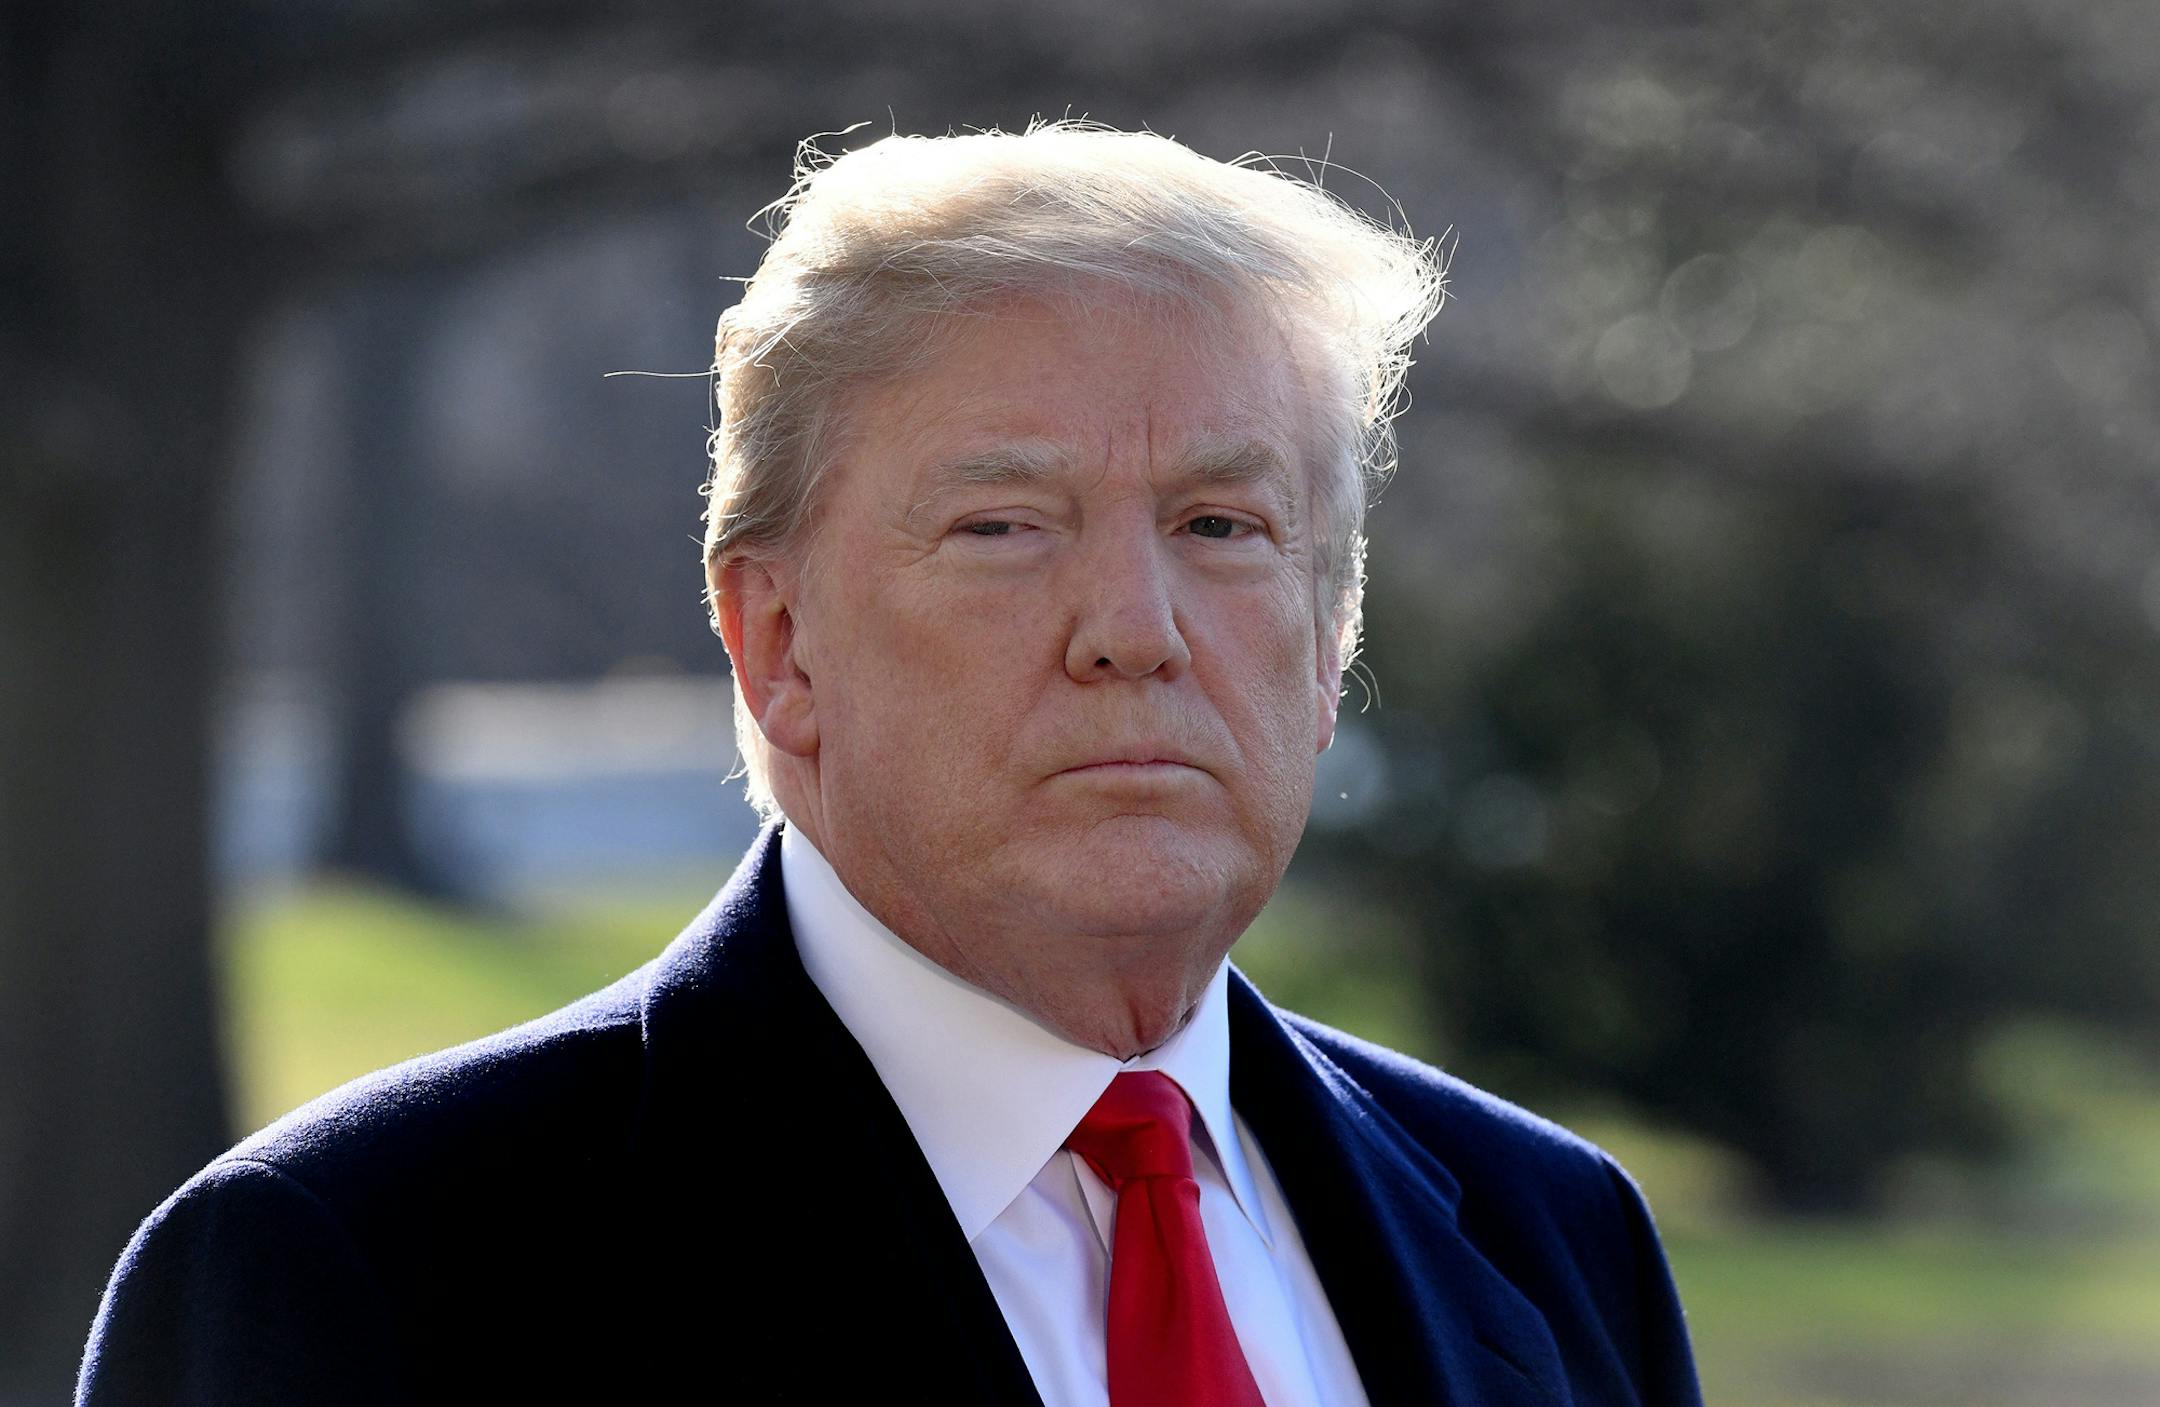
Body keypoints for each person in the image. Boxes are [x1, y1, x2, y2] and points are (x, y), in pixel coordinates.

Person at [79, 122, 1701, 1406]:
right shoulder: (362, 1272)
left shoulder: (1555, 1242)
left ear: (1331, 637)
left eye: (1222, 526)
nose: (1135, 631)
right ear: (778, 643)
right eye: (1004, 528)